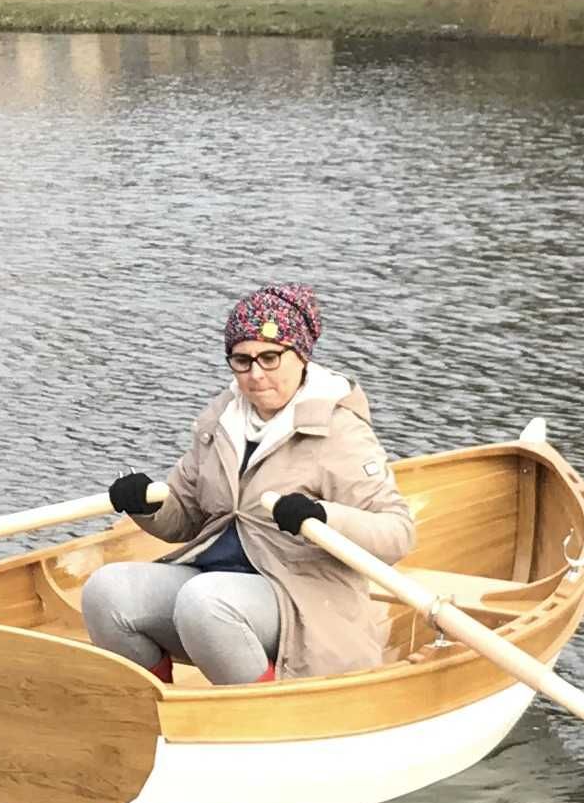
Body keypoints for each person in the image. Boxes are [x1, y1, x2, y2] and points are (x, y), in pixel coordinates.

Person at [85, 284, 415, 687]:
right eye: (242, 361)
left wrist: (323, 517)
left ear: (301, 356)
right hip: (214, 585)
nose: (256, 374)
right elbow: (184, 518)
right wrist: (145, 506)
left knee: (205, 602)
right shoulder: (222, 420)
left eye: (270, 358)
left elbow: (397, 533)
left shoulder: (341, 431)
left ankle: (264, 717)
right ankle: (153, 711)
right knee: (106, 592)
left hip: (303, 599)